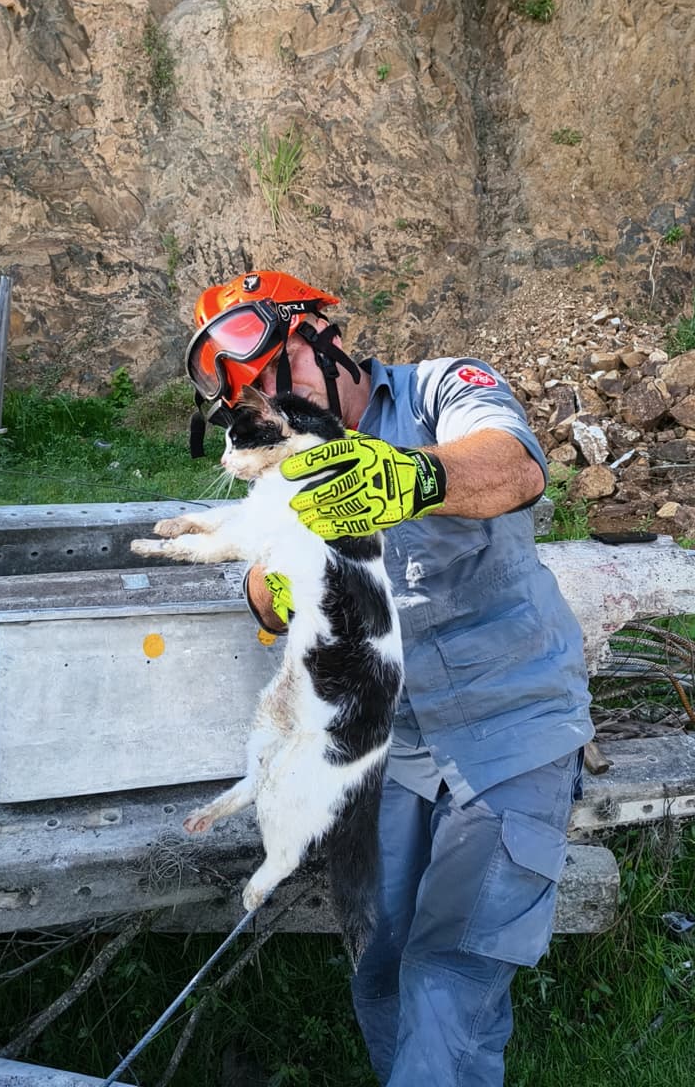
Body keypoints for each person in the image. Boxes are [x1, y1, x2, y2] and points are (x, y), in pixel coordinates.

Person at [185, 269, 594, 1087]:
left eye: (281, 370)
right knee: (379, 966)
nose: (271, 399)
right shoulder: (282, 458)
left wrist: (412, 476)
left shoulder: (443, 389)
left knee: (452, 979)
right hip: (388, 748)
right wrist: (277, 587)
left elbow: (513, 466)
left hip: (512, 730)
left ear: (327, 337)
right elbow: (262, 598)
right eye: (250, 395)